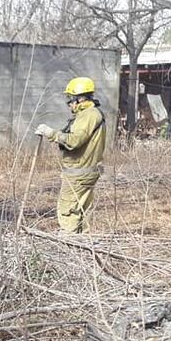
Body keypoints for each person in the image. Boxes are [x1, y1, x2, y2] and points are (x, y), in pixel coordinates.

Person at [35, 77, 107, 233]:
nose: (68, 103)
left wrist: (51, 133)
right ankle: (82, 242)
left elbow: (74, 141)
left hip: (78, 173)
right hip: (86, 171)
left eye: (70, 99)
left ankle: (69, 241)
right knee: (82, 212)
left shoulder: (88, 115)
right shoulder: (90, 114)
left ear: (80, 99)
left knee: (68, 210)